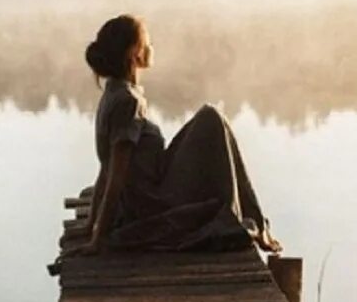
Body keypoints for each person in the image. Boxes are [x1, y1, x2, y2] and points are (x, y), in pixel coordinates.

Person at [70, 14, 282, 255]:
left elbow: (105, 169)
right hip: (152, 204)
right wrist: (99, 239)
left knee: (211, 122)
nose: (152, 47)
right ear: (135, 53)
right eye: (147, 42)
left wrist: (91, 226)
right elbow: (114, 174)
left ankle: (254, 219)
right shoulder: (127, 102)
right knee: (212, 119)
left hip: (147, 193)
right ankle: (252, 221)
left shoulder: (114, 94)